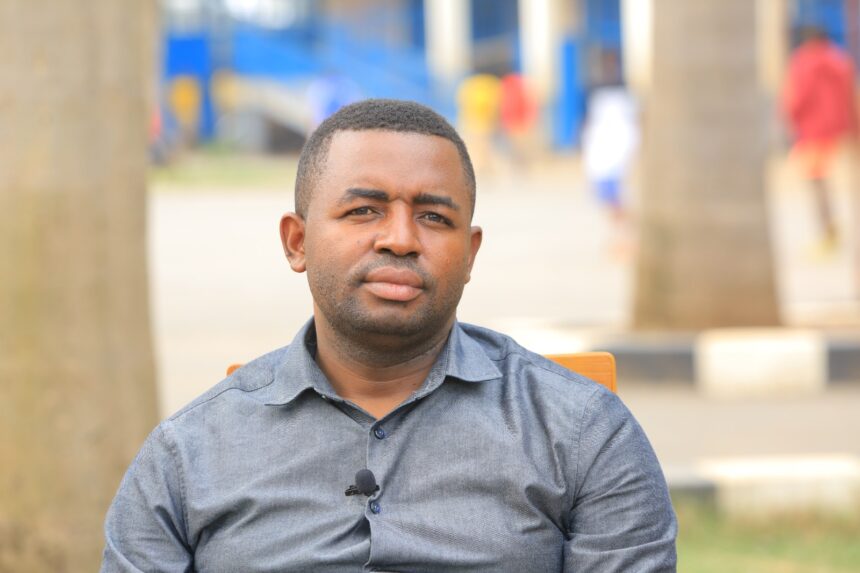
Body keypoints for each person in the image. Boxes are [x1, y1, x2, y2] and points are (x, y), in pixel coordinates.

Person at [101, 99, 677, 572]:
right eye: (363, 211)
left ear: (470, 254)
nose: (400, 239)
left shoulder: (581, 433)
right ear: (297, 242)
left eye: (434, 217)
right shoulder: (190, 455)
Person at [783, 26, 858, 253]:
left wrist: (790, 119)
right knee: (826, 179)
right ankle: (830, 231)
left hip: (812, 131)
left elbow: (798, 98)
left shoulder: (803, 62)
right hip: (836, 130)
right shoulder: (840, 61)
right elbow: (850, 96)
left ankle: (827, 232)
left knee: (816, 181)